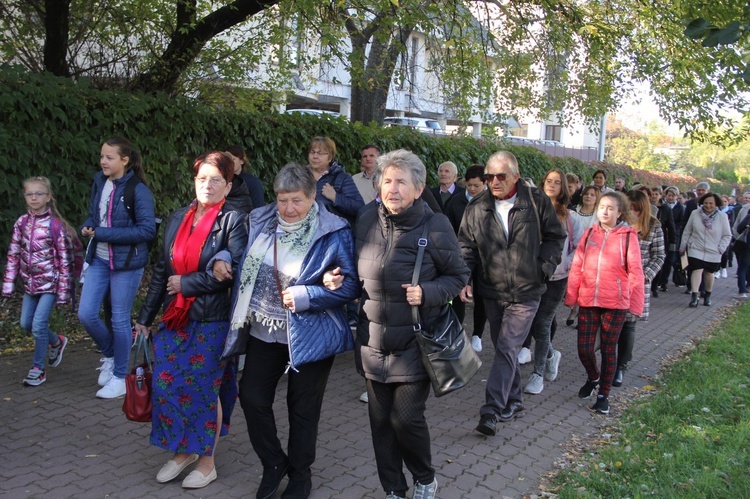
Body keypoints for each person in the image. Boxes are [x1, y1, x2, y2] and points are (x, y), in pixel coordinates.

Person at [218, 162, 359, 499]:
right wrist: (222, 255)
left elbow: (350, 284)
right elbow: (239, 252)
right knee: (251, 397)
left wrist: (309, 294)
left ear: (312, 197)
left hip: (310, 333)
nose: (289, 209)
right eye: (283, 200)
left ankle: (300, 476)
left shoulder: (333, 229)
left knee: (303, 408)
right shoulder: (260, 220)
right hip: (264, 329)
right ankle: (273, 462)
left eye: (297, 200)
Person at [353, 149, 468, 499]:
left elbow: (458, 275)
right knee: (380, 425)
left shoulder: (434, 225)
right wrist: (335, 279)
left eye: (401, 181)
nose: (393, 188)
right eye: (387, 180)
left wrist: (427, 292)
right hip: (373, 341)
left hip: (415, 343)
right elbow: (352, 269)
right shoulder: (365, 219)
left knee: (405, 419)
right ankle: (393, 489)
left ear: (418, 189)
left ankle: (425, 477)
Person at [134, 152, 247, 489]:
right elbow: (161, 273)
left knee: (201, 390)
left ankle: (207, 461)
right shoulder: (177, 217)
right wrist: (144, 318)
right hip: (174, 316)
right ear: (194, 181)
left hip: (211, 320)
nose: (208, 185)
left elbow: (238, 272)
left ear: (228, 184)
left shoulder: (233, 220)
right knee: (167, 385)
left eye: (216, 179)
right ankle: (183, 451)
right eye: (202, 179)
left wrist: (189, 283)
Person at [458, 151, 566, 436]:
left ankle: (491, 409)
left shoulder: (535, 201)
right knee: (504, 349)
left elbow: (556, 237)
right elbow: (466, 246)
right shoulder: (477, 207)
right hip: (492, 290)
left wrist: (543, 267)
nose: (493, 181)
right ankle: (515, 400)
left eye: (500, 176)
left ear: (515, 176)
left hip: (527, 290)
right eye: (489, 176)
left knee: (507, 348)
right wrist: (465, 277)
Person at [78, 136, 156, 399]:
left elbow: (146, 230)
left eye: (109, 157)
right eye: (102, 156)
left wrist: (102, 233)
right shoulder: (100, 181)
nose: (103, 161)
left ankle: (121, 377)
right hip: (99, 259)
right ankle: (112, 355)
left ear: (125, 160)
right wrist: (88, 227)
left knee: (120, 319)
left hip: (127, 264)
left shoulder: (138, 190)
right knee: (86, 314)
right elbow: (93, 214)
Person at [565, 191, 644, 415]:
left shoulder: (628, 236)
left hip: (616, 303)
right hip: (589, 299)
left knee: (609, 350)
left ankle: (603, 396)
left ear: (620, 212)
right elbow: (577, 266)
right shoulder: (589, 233)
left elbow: (636, 272)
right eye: (602, 207)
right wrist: (572, 296)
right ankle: (593, 377)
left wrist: (635, 305)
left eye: (610, 208)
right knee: (584, 349)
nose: (605, 211)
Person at [3, 176, 76, 386]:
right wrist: (8, 284)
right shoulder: (21, 222)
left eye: (39, 193)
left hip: (51, 285)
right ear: (25, 197)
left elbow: (65, 261)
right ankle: (57, 341)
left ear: (48, 197)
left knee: (38, 325)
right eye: (29, 194)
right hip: (30, 284)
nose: (34, 197)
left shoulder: (56, 226)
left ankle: (38, 368)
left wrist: (63, 292)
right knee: (26, 324)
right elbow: (13, 254)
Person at [522, 169, 583, 395]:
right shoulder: (529, 211)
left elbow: (578, 248)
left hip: (556, 277)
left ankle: (537, 374)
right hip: (530, 275)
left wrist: (565, 264)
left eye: (557, 182)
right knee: (529, 321)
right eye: (548, 181)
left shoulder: (570, 217)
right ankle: (549, 354)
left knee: (543, 321)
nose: (552, 185)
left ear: (563, 188)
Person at [613, 191, 665, 388]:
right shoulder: (618, 225)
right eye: (630, 208)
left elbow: (659, 255)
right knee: (611, 323)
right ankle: (611, 361)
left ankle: (621, 365)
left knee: (628, 324)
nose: (633, 212)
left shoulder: (653, 226)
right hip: (614, 282)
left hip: (637, 283)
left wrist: (645, 276)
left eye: (637, 209)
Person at [444, 164, 488, 352]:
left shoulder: (491, 203)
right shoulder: (455, 202)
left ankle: (477, 334)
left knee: (481, 296)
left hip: (485, 259)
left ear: (485, 184)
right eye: (469, 185)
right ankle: (458, 333)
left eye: (476, 186)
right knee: (459, 295)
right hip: (460, 256)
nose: (472, 189)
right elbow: (447, 229)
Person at [680, 192, 732, 307]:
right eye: (706, 203)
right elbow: (687, 230)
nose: (708, 205)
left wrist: (721, 248)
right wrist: (683, 246)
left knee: (709, 273)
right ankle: (694, 296)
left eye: (711, 203)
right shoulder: (695, 213)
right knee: (696, 270)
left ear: (716, 204)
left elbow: (727, 235)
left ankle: (707, 295)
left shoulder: (722, 216)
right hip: (696, 248)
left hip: (714, 250)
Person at [306, 136, 364, 226]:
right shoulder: (300, 176)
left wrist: (336, 197)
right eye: (312, 152)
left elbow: (360, 208)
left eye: (320, 153)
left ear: (330, 157)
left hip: (332, 234)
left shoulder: (341, 178)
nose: (315, 156)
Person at [647, 186, 674, 297]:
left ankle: (655, 286)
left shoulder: (666, 209)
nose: (654, 196)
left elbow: (671, 226)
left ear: (660, 195)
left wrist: (673, 241)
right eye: (652, 194)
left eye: (656, 194)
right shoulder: (646, 206)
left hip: (660, 237)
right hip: (647, 236)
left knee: (657, 261)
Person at [225, 145, 266, 210]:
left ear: (242, 161)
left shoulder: (253, 183)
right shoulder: (221, 180)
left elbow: (258, 210)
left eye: (233, 159)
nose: (229, 162)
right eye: (227, 159)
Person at [663, 186, 686, 288]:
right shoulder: (663, 206)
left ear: (676, 196)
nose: (671, 198)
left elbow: (681, 222)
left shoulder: (680, 208)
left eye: (673, 196)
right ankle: (662, 281)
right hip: (664, 235)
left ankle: (678, 279)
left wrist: (673, 229)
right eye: (669, 195)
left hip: (675, 236)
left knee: (672, 259)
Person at [732, 192, 750, 299]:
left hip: (746, 244)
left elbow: (739, 227)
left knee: (742, 267)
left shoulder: (747, 214)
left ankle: (742, 291)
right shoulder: (743, 209)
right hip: (745, 245)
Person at [718, 195, 736, 278]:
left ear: (728, 202)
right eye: (722, 201)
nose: (723, 203)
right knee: (717, 252)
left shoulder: (730, 211)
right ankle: (717, 270)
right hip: (717, 234)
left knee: (725, 252)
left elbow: (731, 222)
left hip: (726, 233)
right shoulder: (717, 210)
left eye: (725, 201)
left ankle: (724, 268)